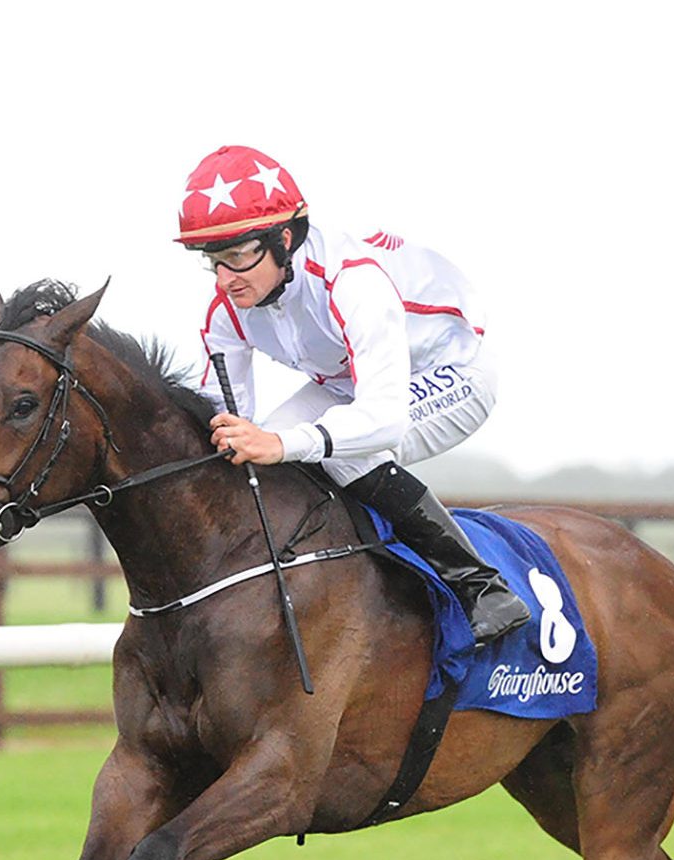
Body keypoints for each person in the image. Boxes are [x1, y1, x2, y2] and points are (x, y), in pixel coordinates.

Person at [175, 144, 530, 644]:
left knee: (341, 451)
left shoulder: (353, 282)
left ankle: (481, 587)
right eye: (213, 262)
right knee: (257, 453)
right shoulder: (225, 311)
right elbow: (228, 421)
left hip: (454, 370)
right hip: (348, 382)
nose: (225, 279)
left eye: (237, 258)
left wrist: (281, 444)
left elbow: (382, 420)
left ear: (284, 238)